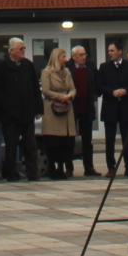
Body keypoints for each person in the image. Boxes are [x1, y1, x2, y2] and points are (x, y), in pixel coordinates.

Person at [0, 37, 41, 181]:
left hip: (27, 113)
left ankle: (32, 173)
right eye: (21, 49)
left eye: (24, 48)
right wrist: (5, 108)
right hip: (10, 115)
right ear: (11, 51)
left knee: (30, 145)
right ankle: (11, 173)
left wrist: (38, 108)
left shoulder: (28, 65)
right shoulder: (2, 67)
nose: (23, 51)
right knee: (11, 146)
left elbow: (35, 88)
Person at [97, 42, 128, 176]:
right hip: (110, 107)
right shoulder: (104, 67)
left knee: (127, 139)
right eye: (109, 51)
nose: (110, 53)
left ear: (120, 51)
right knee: (110, 139)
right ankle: (111, 167)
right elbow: (100, 86)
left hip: (126, 107)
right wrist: (112, 92)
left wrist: (125, 90)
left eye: (112, 50)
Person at [39, 45, 77, 177]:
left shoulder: (67, 72)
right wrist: (61, 97)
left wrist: (70, 96)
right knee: (53, 142)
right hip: (52, 110)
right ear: (56, 58)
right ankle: (52, 168)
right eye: (63, 57)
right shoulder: (46, 72)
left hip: (66, 109)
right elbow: (46, 90)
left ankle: (63, 167)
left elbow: (73, 88)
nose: (65, 59)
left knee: (66, 142)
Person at [69, 46, 97, 177]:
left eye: (84, 54)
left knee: (87, 141)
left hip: (86, 107)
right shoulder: (68, 67)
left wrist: (94, 96)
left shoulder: (90, 66)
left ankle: (89, 168)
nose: (84, 57)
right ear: (74, 57)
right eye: (80, 55)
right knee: (69, 139)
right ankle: (69, 168)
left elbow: (96, 82)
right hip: (72, 108)